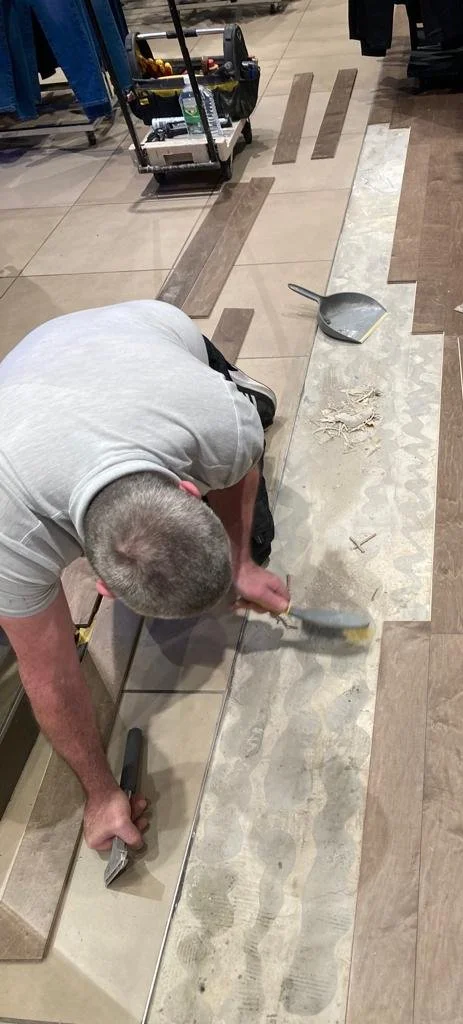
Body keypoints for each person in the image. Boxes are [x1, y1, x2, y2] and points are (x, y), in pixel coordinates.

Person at [0, 299, 290, 854]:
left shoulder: (217, 422)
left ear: (189, 488)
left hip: (144, 329)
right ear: (101, 587)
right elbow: (50, 677)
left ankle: (243, 387)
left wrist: (242, 564)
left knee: (248, 440)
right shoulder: (10, 536)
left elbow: (240, 468)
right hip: (26, 381)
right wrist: (99, 793)